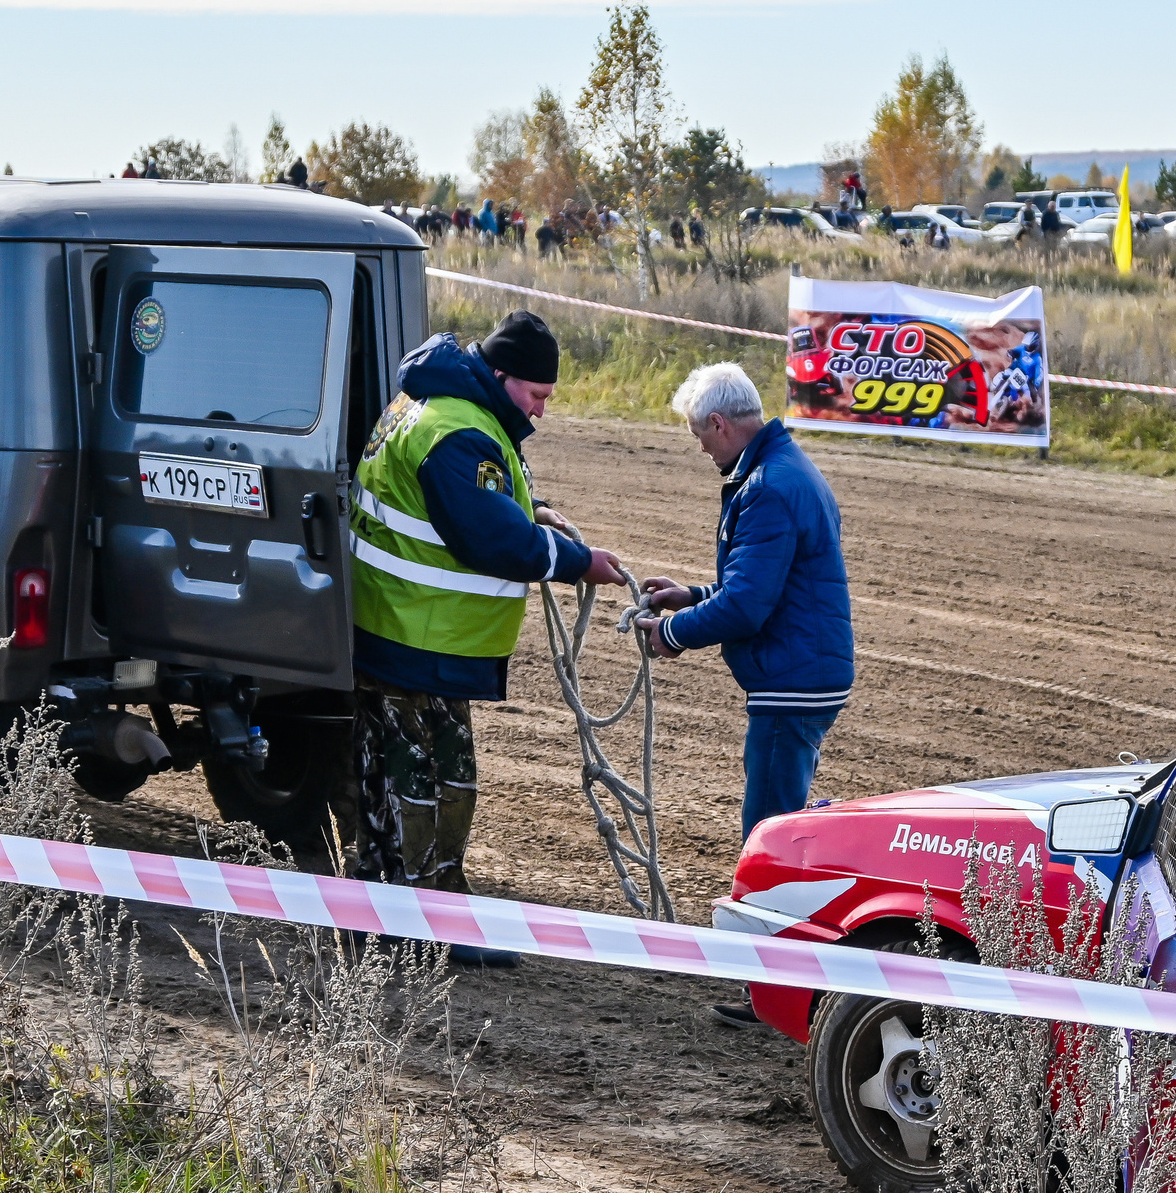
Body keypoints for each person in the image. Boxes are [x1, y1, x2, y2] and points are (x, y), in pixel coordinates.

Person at [342, 310, 624, 966]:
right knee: (412, 783)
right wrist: (577, 560)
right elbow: (487, 535)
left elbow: (471, 503)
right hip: (411, 636)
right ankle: (400, 922)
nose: (542, 411)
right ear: (502, 377)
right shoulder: (456, 430)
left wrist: (532, 510)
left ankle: (424, 912)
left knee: (431, 778)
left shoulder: (442, 403)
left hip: (415, 632)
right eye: (537, 395)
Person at [634, 363, 853, 1019]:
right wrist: (695, 594)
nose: (700, 447)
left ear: (721, 424)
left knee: (769, 832)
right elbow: (757, 587)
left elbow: (750, 607)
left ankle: (773, 990)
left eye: (700, 435)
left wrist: (673, 632)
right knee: (783, 818)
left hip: (795, 683)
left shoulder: (769, 488)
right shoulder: (784, 472)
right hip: (804, 673)